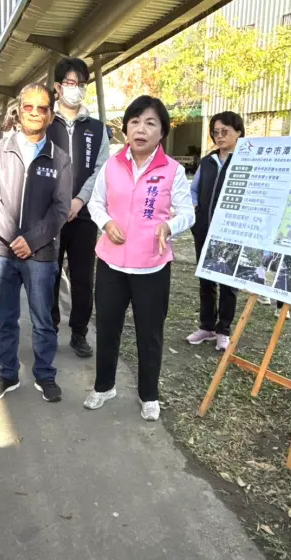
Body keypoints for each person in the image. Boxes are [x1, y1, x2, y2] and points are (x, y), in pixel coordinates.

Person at [84, 95, 195, 421]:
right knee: (106, 328)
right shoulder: (111, 166)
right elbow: (95, 203)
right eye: (135, 122)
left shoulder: (173, 171)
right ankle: (104, 386)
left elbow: (188, 213)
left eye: (150, 123)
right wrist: (106, 222)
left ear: (162, 131)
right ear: (126, 128)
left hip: (152, 265)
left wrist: (169, 226)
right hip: (111, 263)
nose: (141, 129)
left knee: (150, 333)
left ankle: (149, 395)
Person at [0, 83, 72, 403]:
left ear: (50, 115)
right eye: (28, 106)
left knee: (43, 318)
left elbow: (60, 208)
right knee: (5, 317)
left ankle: (45, 374)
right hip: (0, 251)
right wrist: (13, 239)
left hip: (41, 253)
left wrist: (31, 240)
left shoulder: (59, 158)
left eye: (42, 108)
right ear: (18, 110)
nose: (34, 113)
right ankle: (7, 373)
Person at [47, 57, 110, 358]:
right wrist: (58, 203)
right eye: (70, 83)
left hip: (84, 216)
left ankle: (80, 332)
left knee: (84, 277)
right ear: (58, 87)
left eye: (81, 84)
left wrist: (79, 200)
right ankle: (48, 329)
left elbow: (101, 169)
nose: (76, 90)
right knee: (48, 274)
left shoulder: (97, 129)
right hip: (49, 216)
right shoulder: (44, 122)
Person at [186, 112, 243, 351]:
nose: (219, 136)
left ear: (238, 132)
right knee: (206, 279)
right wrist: (196, 210)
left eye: (225, 131)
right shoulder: (208, 162)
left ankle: (223, 329)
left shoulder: (244, 161)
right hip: (204, 230)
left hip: (232, 232)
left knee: (228, 283)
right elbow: (194, 190)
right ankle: (207, 326)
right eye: (215, 132)